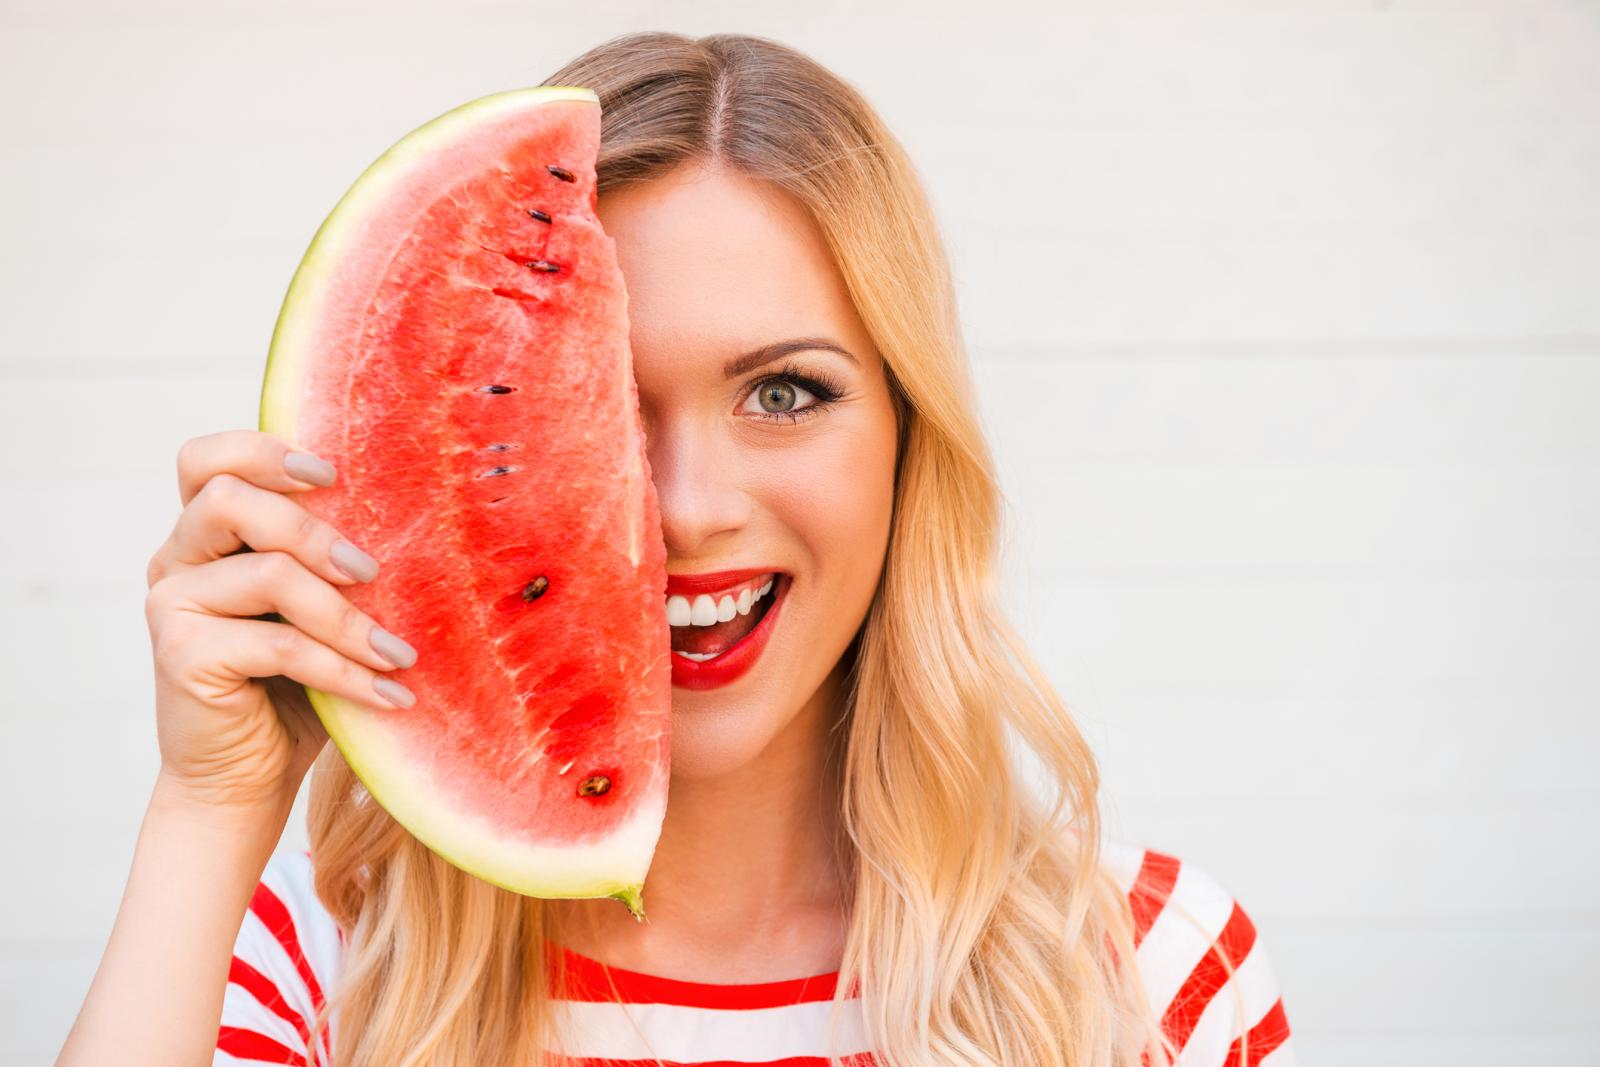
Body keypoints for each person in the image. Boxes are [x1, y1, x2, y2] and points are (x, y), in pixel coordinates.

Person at [58, 31, 1295, 1067]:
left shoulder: (1151, 970)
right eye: (593, 408)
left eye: (786, 393)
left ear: (912, 442)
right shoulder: (309, 964)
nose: (692, 507)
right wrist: (208, 809)